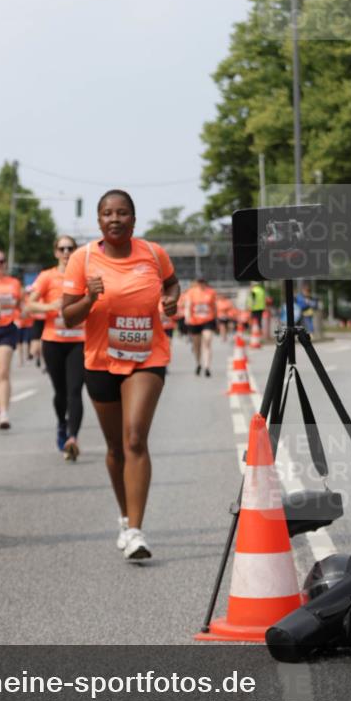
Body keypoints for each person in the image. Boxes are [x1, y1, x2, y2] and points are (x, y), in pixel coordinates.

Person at [62, 189, 179, 561]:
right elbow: (68, 316)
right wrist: (90, 298)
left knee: (134, 438)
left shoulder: (153, 254)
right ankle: (126, 515)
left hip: (148, 356)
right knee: (115, 448)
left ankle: (135, 531)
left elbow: (172, 282)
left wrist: (172, 299)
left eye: (122, 213)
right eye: (108, 213)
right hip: (100, 361)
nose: (115, 219)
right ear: (99, 220)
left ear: (133, 218)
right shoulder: (82, 259)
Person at [28, 236, 85, 460]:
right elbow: (30, 303)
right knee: (60, 393)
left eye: (70, 248)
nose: (66, 252)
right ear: (55, 252)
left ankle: (73, 438)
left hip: (80, 340)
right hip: (53, 341)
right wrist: (51, 306)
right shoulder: (47, 276)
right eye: (62, 248)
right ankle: (62, 424)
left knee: (75, 391)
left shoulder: (84, 276)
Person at [0, 250, 21, 429]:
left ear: (5, 264)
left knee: (3, 372)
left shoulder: (14, 283)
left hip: (7, 329)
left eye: (1, 262)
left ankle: (4, 413)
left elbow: (21, 304)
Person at [184, 277, 218, 377]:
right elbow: (188, 306)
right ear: (197, 283)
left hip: (208, 320)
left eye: (203, 282)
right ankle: (198, 363)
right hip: (195, 321)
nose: (201, 284)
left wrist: (216, 319)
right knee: (196, 345)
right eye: (199, 282)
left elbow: (214, 306)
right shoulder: (191, 292)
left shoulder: (211, 292)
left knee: (207, 341)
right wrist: (187, 318)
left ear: (205, 283)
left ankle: (207, 367)